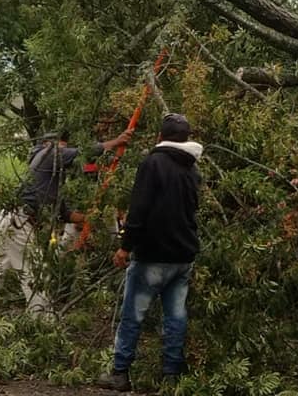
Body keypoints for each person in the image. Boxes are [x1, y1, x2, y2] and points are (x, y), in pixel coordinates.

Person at [0, 120, 132, 332]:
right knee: (36, 276)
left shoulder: (48, 177)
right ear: (51, 144)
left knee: (1, 271)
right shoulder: (49, 154)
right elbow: (84, 152)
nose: (65, 151)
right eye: (63, 147)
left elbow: (66, 214)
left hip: (8, 220)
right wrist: (117, 141)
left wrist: (90, 219)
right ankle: (45, 328)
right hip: (18, 223)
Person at [98, 113, 202, 391]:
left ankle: (120, 373)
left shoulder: (152, 163)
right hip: (183, 256)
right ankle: (171, 376)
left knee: (133, 314)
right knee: (176, 317)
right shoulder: (192, 169)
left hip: (152, 254)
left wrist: (125, 247)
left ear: (160, 137)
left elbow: (138, 211)